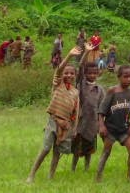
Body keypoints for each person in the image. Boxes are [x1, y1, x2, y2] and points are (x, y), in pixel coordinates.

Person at [26, 46, 82, 183]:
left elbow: (76, 110)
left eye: (71, 73)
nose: (68, 75)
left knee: (57, 152)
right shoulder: (58, 84)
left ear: (75, 76)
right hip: (53, 121)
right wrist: (69, 55)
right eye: (66, 73)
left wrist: (74, 128)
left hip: (66, 125)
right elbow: (59, 69)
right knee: (45, 149)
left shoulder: (75, 92)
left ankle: (51, 176)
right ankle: (31, 175)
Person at [96, 65, 130, 182]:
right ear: (119, 77)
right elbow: (101, 111)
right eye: (125, 77)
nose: (129, 79)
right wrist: (101, 126)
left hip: (125, 128)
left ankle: (129, 177)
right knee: (106, 152)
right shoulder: (112, 91)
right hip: (110, 129)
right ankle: (98, 176)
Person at [71, 44, 103, 172]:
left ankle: (87, 168)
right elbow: (80, 67)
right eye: (90, 73)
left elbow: (102, 108)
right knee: (77, 149)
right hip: (81, 123)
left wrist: (101, 124)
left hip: (92, 124)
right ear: (85, 74)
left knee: (89, 148)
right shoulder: (82, 84)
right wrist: (87, 53)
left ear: (98, 74)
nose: (92, 75)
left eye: (95, 73)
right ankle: (73, 168)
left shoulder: (100, 90)